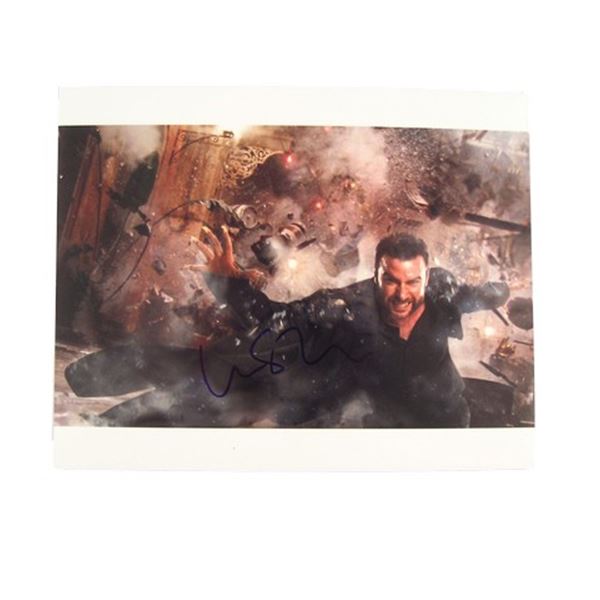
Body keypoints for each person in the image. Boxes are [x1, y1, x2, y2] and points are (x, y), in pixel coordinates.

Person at [66, 226, 509, 428]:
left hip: (443, 420)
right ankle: (106, 426)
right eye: (391, 281)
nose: (402, 293)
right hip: (372, 422)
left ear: (426, 276)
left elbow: (483, 294)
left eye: (413, 282)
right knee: (222, 380)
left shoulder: (443, 292)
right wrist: (229, 283)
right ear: (376, 275)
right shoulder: (347, 305)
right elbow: (278, 317)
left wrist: (504, 291)